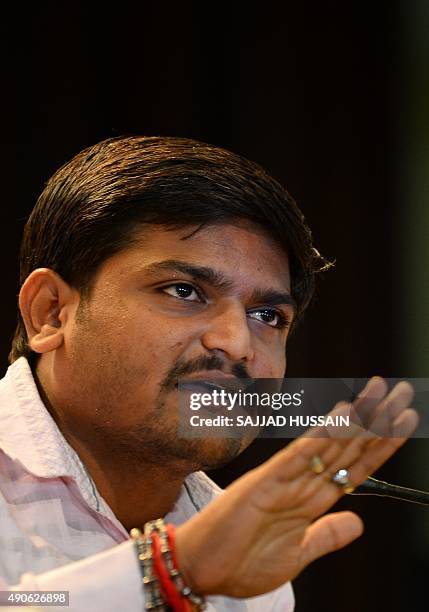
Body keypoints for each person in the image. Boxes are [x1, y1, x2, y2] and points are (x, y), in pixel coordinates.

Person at [0, 136, 417, 611]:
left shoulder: (244, 558)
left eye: (268, 317)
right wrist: (167, 573)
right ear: (51, 312)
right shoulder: (205, 556)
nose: (237, 344)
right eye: (183, 290)